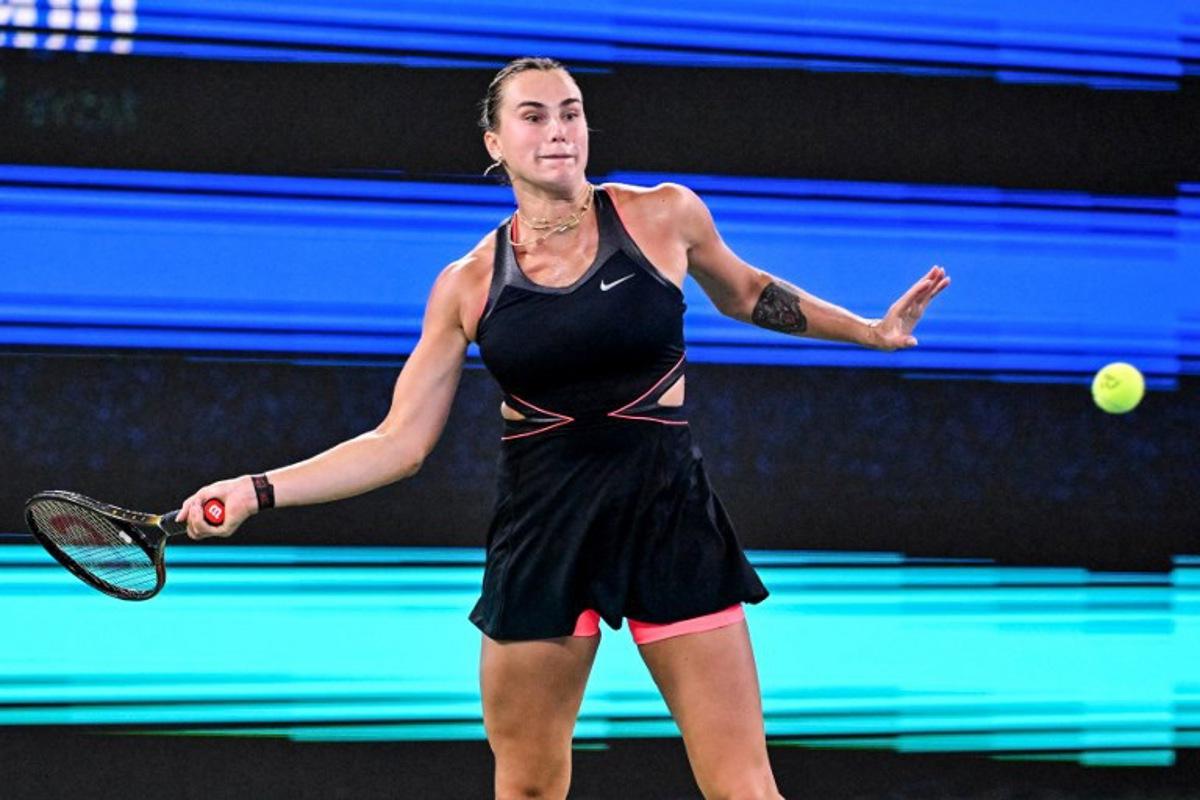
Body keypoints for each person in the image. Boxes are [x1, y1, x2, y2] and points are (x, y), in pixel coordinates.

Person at [177, 57, 950, 800]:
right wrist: (256, 490)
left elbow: (747, 293)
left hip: (669, 521)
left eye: (571, 113)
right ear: (495, 143)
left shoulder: (663, 215)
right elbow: (398, 444)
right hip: (545, 536)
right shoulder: (468, 284)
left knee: (744, 787)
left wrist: (870, 332)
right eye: (534, 116)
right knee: (528, 786)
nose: (558, 130)